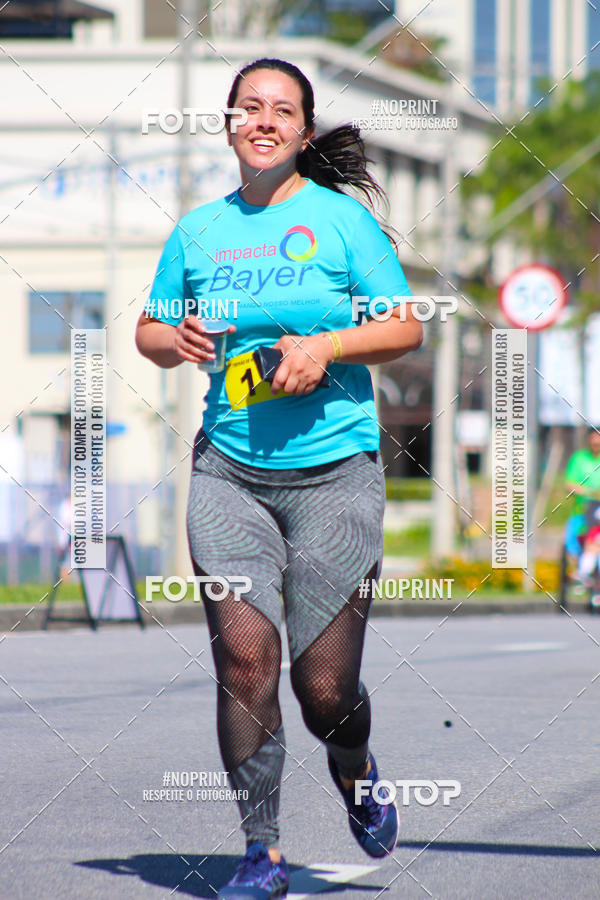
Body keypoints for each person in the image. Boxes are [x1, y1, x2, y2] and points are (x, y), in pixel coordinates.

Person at [136, 57, 423, 900]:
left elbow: (404, 324)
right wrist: (175, 340)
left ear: (302, 130)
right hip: (228, 474)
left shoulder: (341, 225)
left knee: (324, 686)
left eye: (282, 110)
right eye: (248, 107)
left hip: (335, 476)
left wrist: (325, 346)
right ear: (230, 123)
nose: (263, 120)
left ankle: (356, 766)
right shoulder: (197, 230)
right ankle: (261, 852)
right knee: (245, 661)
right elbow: (152, 329)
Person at [565, 427, 600, 583]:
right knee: (577, 539)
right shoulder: (579, 458)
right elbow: (570, 483)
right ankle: (582, 571)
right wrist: (590, 493)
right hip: (584, 509)